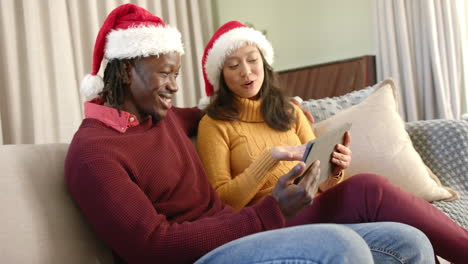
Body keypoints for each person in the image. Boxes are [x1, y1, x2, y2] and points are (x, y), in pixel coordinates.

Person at [65, 4, 435, 264]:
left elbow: (219, 112)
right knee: (341, 248)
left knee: (409, 242)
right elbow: (152, 247)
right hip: (195, 257)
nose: (174, 87)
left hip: (238, 236)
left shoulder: (161, 118)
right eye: (165, 73)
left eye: (176, 74)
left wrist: (287, 107)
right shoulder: (94, 154)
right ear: (128, 70)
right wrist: (270, 211)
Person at [197, 20, 468, 263]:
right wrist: (271, 157)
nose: (246, 71)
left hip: (308, 207)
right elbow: (223, 201)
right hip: (266, 220)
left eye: (252, 60)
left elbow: (318, 181)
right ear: (221, 75)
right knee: (367, 188)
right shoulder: (214, 125)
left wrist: (335, 170)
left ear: (264, 63)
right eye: (233, 65)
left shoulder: (289, 112)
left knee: (404, 233)